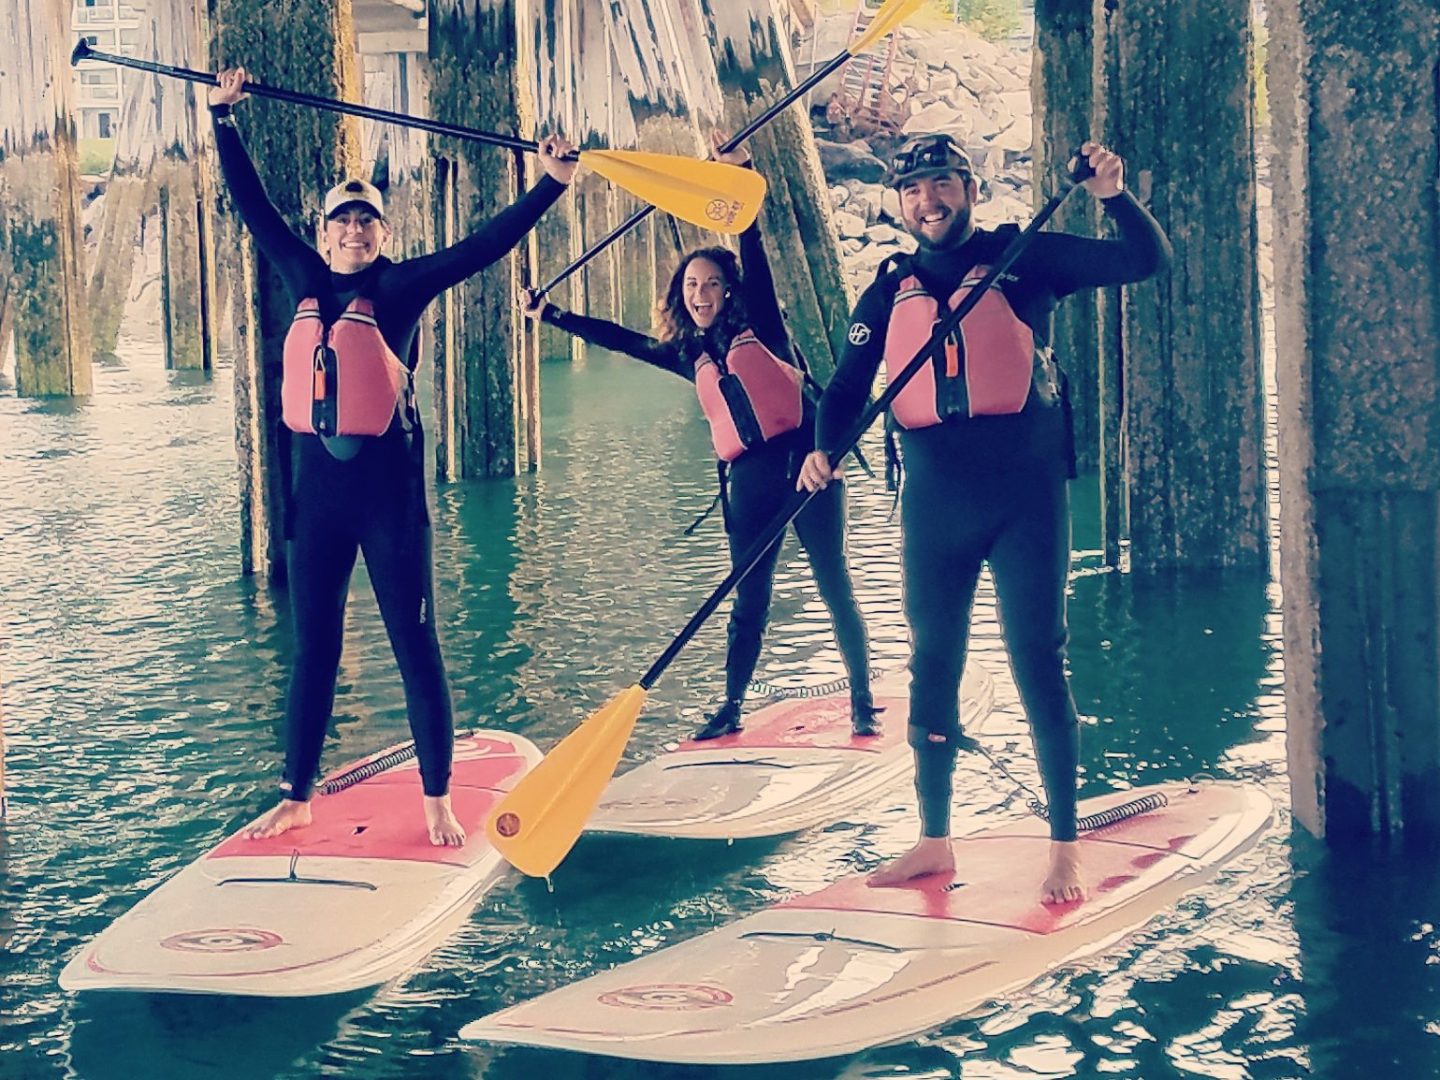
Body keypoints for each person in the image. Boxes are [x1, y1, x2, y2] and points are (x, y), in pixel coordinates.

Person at [207, 67, 577, 845]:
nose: (353, 233)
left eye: (366, 223)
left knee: (415, 644)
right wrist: (223, 120)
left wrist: (551, 184)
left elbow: (484, 247)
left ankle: (437, 796)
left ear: (382, 233)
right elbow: (253, 209)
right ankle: (297, 791)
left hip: (389, 505)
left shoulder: (403, 286)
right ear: (324, 232)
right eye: (342, 222)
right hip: (320, 504)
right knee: (315, 649)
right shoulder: (302, 274)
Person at [798, 134, 1170, 903]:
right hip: (935, 503)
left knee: (1038, 657)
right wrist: (822, 449)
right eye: (913, 191)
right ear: (899, 203)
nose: (928, 202)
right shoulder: (888, 287)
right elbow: (843, 388)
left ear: (969, 187)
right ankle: (934, 840)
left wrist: (1113, 193)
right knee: (933, 663)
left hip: (1024, 496)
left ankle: (1064, 845)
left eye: (941, 184)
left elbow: (1144, 260)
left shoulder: (1024, 258)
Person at [521, 133, 878, 742]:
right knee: (748, 600)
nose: (702, 294)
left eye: (711, 284)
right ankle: (732, 706)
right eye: (691, 287)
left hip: (805, 463)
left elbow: (755, 250)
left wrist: (740, 176)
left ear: (729, 290)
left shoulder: (762, 325)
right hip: (750, 483)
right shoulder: (690, 354)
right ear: (681, 299)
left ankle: (864, 701)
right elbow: (620, 339)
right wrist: (550, 315)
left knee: (831, 580)